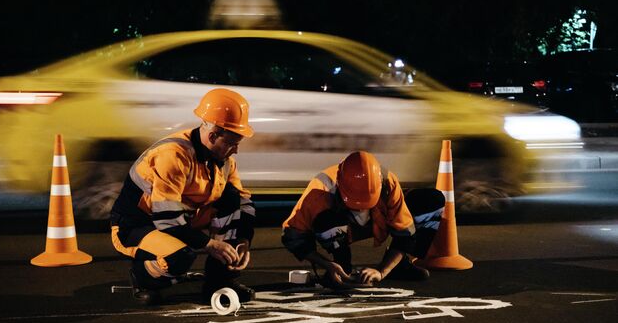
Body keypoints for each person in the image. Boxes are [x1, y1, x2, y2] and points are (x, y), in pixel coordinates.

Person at [110, 88, 256, 305]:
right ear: (213, 135)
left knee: (231, 200)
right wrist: (211, 245)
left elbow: (244, 203)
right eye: (232, 143)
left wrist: (243, 242)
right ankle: (143, 277)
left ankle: (219, 280)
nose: (235, 150)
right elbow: (167, 219)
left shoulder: (223, 159)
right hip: (137, 225)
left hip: (179, 219)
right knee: (180, 257)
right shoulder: (173, 155)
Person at [282, 151, 445, 287]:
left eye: (367, 202)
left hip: (377, 220)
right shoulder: (319, 192)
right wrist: (327, 264)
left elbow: (406, 235)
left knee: (432, 201)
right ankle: (341, 266)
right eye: (355, 203)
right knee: (324, 219)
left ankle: (399, 265)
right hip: (340, 224)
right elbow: (292, 237)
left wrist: (381, 272)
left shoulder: (388, 183)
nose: (361, 208)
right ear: (339, 187)